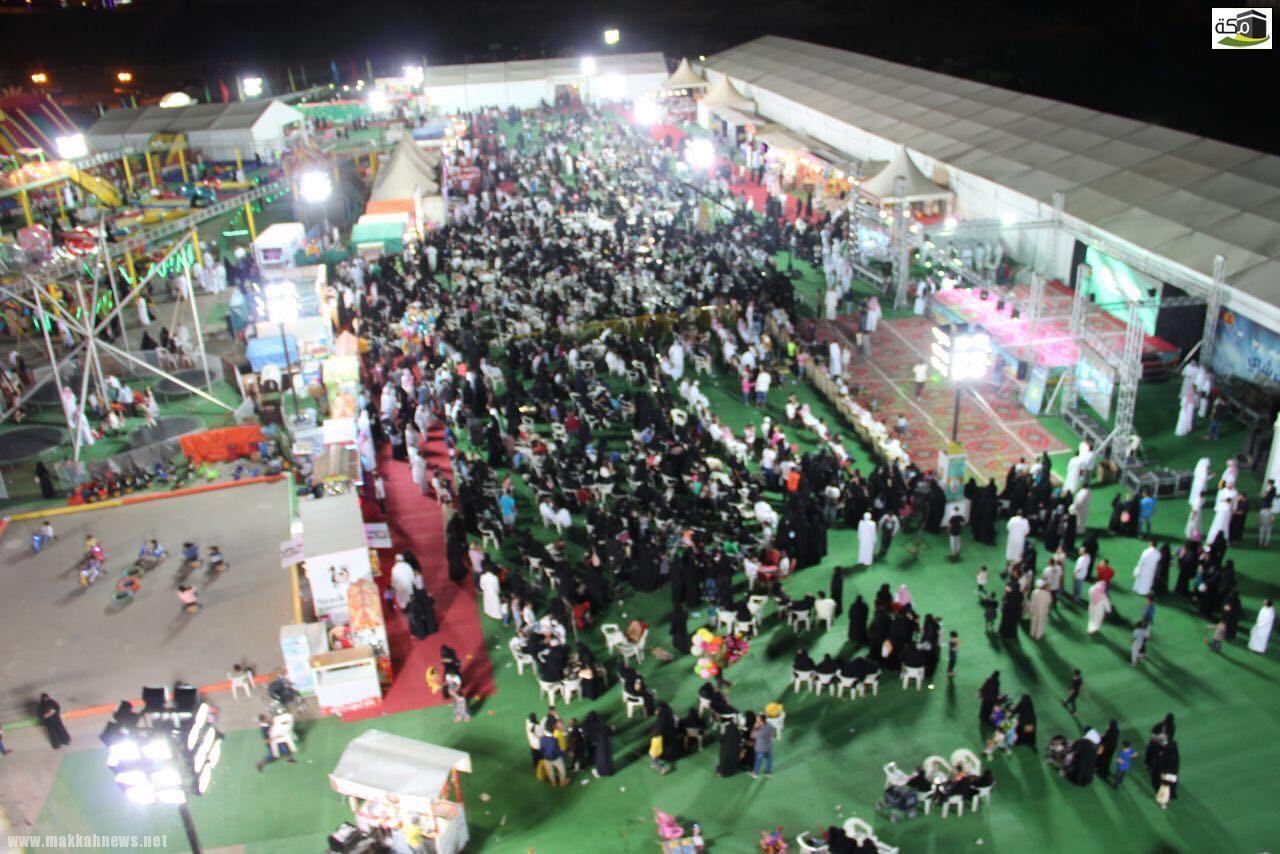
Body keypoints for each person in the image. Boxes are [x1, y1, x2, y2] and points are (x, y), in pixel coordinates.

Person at [749, 714, 774, 779]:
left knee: (758, 761)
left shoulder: (760, 731)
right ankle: (768, 773)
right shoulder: (769, 725)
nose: (756, 720)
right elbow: (772, 733)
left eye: (758, 719)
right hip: (768, 747)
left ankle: (755, 774)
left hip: (760, 749)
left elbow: (752, 736)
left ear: (762, 721)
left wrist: (754, 728)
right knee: (769, 759)